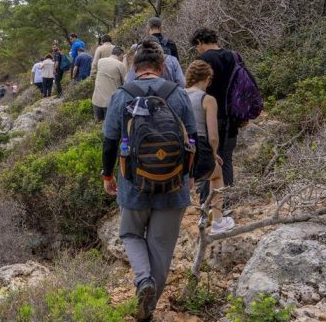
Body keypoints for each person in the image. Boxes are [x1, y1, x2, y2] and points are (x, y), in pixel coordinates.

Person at [100, 39, 197, 322]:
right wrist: (190, 176)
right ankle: (149, 310)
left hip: (133, 184)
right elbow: (194, 139)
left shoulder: (122, 95)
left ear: (133, 67)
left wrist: (107, 175)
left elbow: (109, 142)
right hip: (174, 185)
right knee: (161, 248)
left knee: (130, 234)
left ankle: (143, 279)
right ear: (161, 66)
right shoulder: (178, 94)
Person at [190, 28, 242, 215]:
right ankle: (225, 205)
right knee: (226, 160)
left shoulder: (203, 60)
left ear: (200, 42)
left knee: (210, 161)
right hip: (232, 116)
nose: (197, 49)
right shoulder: (234, 56)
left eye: (196, 46)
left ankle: (207, 206)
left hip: (210, 116)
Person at [185, 60, 235, 234]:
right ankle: (218, 222)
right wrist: (214, 153)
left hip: (179, 148)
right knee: (217, 174)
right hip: (199, 147)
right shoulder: (208, 99)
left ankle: (203, 215)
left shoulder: (178, 95)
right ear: (207, 78)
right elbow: (213, 136)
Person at [92, 46, 128, 121]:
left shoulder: (100, 61)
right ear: (121, 55)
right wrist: (124, 64)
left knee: (97, 123)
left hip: (96, 100)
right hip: (110, 103)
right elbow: (125, 83)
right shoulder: (120, 65)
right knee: (108, 125)